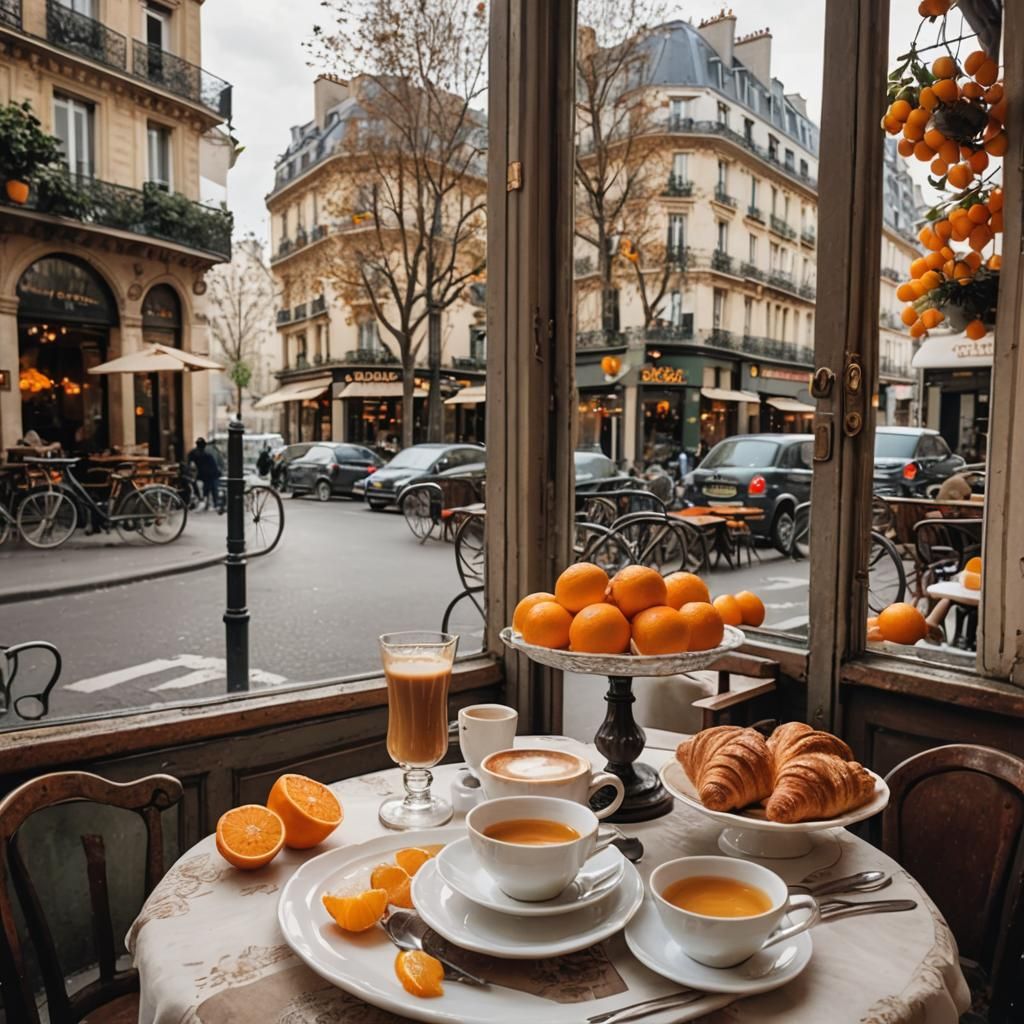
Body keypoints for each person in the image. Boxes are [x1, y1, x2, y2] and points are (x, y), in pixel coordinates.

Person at [187, 437, 222, 511]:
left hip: (205, 475)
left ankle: (207, 502)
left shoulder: (194, 453)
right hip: (209, 475)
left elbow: (190, 464)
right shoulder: (207, 454)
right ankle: (212, 503)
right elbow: (214, 466)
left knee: (207, 488)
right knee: (211, 489)